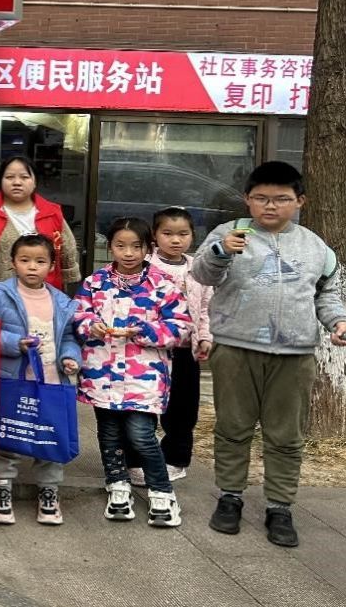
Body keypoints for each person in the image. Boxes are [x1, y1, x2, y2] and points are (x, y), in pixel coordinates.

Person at [193, 162, 346, 548]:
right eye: (261, 198)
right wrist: (220, 251)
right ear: (247, 200)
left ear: (300, 202)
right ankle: (229, 497)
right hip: (235, 348)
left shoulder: (315, 247)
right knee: (232, 427)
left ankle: (280, 506)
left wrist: (339, 323)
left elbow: (327, 295)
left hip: (294, 355)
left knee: (286, 435)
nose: (270, 206)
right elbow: (202, 275)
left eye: (281, 199)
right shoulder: (229, 233)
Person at [75, 217, 189, 528]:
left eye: (136, 247)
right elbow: (78, 315)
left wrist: (144, 332)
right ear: (109, 247)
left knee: (141, 434)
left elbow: (181, 327)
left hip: (145, 376)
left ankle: (162, 491)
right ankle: (117, 484)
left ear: (147, 248)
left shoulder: (162, 284)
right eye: (120, 246)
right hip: (102, 373)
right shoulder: (95, 282)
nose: (128, 253)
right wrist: (90, 326)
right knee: (109, 433)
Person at [0, 234, 81, 526]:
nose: (31, 267)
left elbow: (69, 337)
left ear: (51, 266)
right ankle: (2, 487)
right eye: (24, 260)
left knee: (50, 436)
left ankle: (49, 490)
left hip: (52, 380)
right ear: (12, 262)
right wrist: (15, 343)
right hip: (12, 378)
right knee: (8, 436)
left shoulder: (61, 301)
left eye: (40, 261)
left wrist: (70, 357)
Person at [127, 207, 212, 487]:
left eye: (183, 234)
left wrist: (205, 337)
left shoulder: (198, 268)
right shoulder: (144, 266)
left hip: (185, 349)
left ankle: (175, 459)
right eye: (168, 233)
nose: (176, 240)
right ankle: (136, 460)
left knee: (183, 408)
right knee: (143, 405)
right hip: (149, 349)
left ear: (192, 235)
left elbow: (206, 308)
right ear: (154, 235)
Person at [0, 156, 80, 290]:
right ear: (0, 181)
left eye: (24, 177)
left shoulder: (52, 213)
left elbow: (68, 248)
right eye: (9, 177)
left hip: (43, 292)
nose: (17, 182)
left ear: (35, 181)